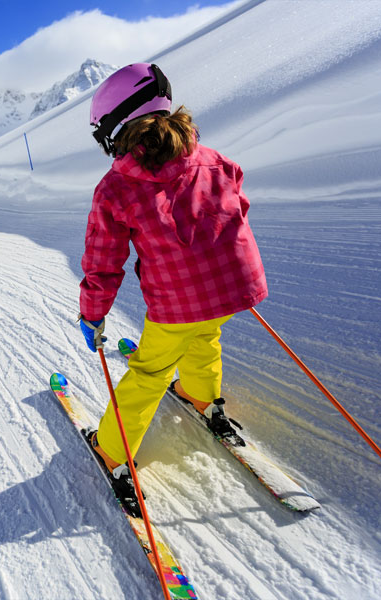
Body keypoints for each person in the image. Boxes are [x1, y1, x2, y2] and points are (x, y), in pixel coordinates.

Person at [78, 63, 268, 479]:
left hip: (178, 304)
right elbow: (238, 210)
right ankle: (201, 396)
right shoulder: (215, 160)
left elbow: (103, 262)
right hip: (236, 289)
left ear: (116, 127)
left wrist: (93, 313)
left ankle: (111, 450)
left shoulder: (116, 187)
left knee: (149, 372)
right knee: (206, 333)